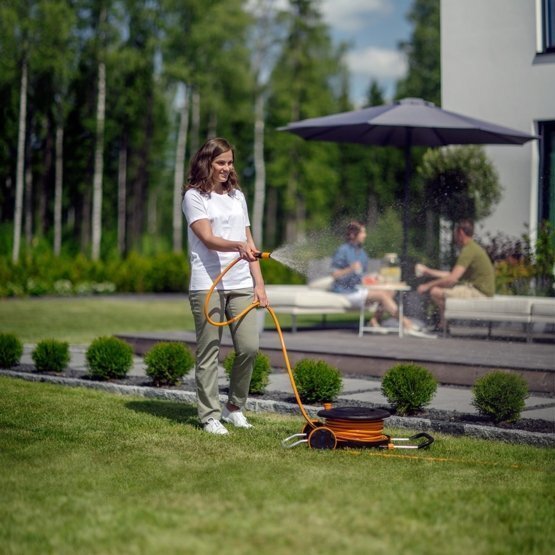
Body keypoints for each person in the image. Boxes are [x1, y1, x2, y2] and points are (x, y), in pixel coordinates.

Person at [182, 137, 268, 435]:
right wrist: (238, 246)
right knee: (209, 351)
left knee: (249, 347)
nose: (226, 168)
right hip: (207, 283)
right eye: (221, 162)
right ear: (206, 162)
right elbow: (207, 238)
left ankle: (233, 408)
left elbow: (250, 243)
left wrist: (259, 284)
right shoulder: (194, 197)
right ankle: (209, 416)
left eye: (230, 162)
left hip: (241, 282)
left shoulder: (237, 196)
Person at [330, 221, 418, 334]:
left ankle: (374, 320)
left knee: (390, 291)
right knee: (381, 295)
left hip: (359, 289)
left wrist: (374, 278)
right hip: (346, 291)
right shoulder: (342, 250)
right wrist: (350, 269)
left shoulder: (362, 253)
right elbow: (334, 275)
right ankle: (406, 324)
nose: (365, 235)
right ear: (353, 234)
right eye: (362, 232)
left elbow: (361, 276)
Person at [416, 219, 495, 331]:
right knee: (440, 290)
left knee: (435, 291)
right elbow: (452, 275)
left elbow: (452, 279)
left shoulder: (468, 251)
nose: (454, 237)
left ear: (461, 233)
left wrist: (427, 286)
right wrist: (428, 271)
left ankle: (443, 325)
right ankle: (443, 325)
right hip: (480, 290)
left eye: (455, 234)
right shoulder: (472, 248)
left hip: (479, 292)